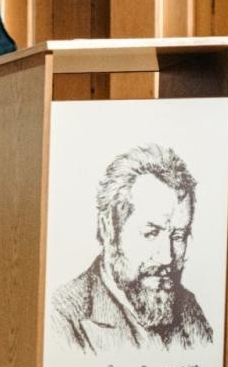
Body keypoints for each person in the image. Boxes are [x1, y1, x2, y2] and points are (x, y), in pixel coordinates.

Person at [49, 144, 213, 353]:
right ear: (109, 228)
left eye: (178, 236)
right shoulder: (63, 315)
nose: (167, 257)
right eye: (151, 233)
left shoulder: (188, 308)